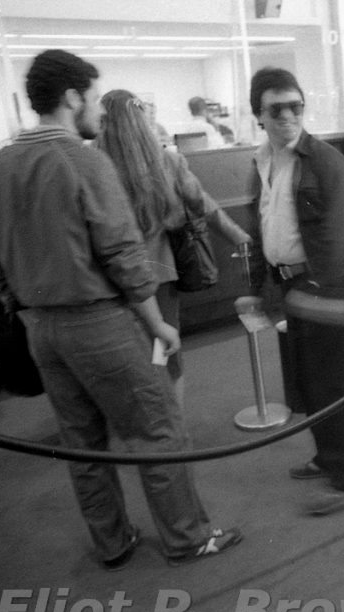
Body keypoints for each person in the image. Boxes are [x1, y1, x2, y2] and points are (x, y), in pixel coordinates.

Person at [0, 49, 242, 569]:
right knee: (158, 429)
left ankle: (112, 542)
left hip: (40, 327)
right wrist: (157, 322)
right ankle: (187, 537)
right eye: (92, 97)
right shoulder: (84, 161)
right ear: (72, 97)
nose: (97, 108)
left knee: (82, 442)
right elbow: (121, 252)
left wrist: (22, 310)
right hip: (98, 321)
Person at [247, 67, 344, 515]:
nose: (287, 116)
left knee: (330, 387)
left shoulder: (326, 162)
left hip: (324, 289)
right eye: (275, 109)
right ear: (257, 114)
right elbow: (261, 223)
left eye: (295, 106)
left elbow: (340, 240)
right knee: (307, 385)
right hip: (289, 285)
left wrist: (316, 293)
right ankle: (326, 456)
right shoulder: (262, 161)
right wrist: (265, 287)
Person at [96, 89, 252, 406]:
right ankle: (171, 429)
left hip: (111, 278)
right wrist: (237, 235)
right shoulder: (166, 161)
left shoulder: (96, 168)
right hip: (159, 274)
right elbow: (203, 205)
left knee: (127, 356)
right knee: (165, 350)